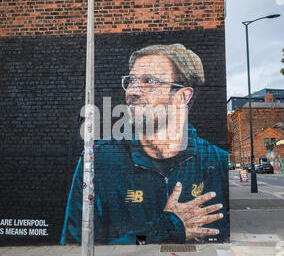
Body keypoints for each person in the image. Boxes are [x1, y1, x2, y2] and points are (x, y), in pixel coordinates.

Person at [61, 44, 229, 245]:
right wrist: (164, 230)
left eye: (148, 81)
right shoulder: (100, 161)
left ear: (182, 96)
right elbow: (78, 247)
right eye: (131, 80)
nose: (132, 92)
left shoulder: (217, 162)